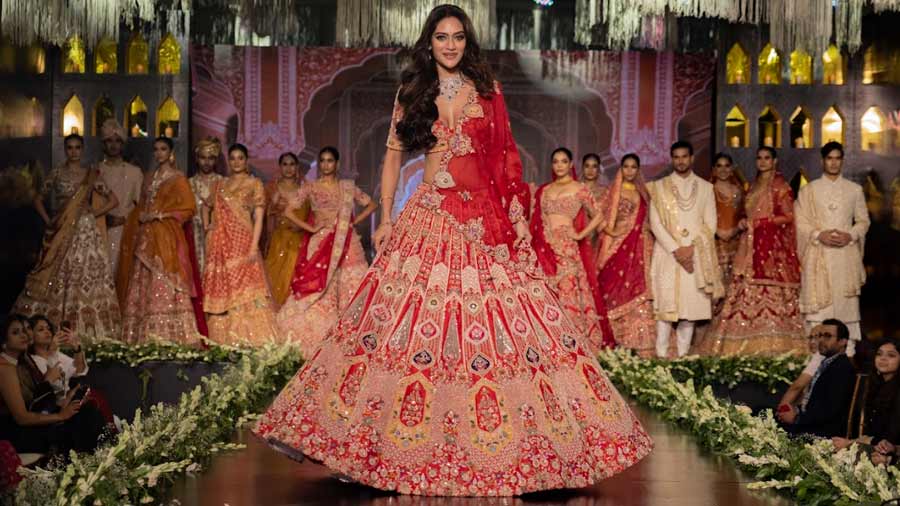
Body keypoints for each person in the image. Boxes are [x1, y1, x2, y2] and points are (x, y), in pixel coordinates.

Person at [254, 6, 651, 496]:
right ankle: (373, 444)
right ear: (429, 42)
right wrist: (388, 218)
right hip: (430, 214)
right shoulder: (414, 90)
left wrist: (513, 221)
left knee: (495, 331)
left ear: (467, 42)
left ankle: (519, 449)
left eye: (458, 37)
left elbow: (506, 155)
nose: (449, 45)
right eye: (441, 37)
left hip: (483, 218)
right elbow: (394, 154)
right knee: (402, 327)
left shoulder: (488, 90)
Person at [13, 134, 121, 342]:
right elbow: (37, 199)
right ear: (65, 150)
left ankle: (89, 329)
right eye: (70, 148)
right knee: (60, 272)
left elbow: (113, 200)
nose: (74, 151)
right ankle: (53, 327)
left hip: (86, 233)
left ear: (82, 150)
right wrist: (50, 221)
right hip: (62, 230)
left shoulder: (91, 175)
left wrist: (93, 214)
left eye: (77, 148)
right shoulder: (57, 173)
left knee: (84, 274)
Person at [705, 147, 805, 355]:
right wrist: (744, 221)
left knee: (770, 295)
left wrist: (759, 223)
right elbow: (746, 213)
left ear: (775, 161)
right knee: (741, 291)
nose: (762, 162)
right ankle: (739, 346)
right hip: (749, 246)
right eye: (759, 158)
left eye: (767, 158)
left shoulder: (780, 186)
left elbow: (788, 217)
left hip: (770, 250)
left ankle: (774, 345)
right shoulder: (752, 186)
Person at [276, 147, 375, 352]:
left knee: (351, 285)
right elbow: (288, 211)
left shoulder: (347, 187)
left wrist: (352, 221)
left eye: (330, 161)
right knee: (322, 290)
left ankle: (351, 336)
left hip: (348, 242)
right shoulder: (310, 187)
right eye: (323, 161)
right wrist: (310, 228)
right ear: (319, 164)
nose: (326, 165)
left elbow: (372, 205)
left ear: (337, 164)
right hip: (320, 243)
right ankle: (322, 337)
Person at [118, 137, 205, 344]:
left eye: (163, 149)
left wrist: (158, 216)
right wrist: (141, 216)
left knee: (165, 277)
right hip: (146, 236)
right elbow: (143, 204)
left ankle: (171, 335)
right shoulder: (149, 177)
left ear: (171, 152)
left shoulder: (178, 178)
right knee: (143, 280)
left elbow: (188, 209)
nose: (159, 153)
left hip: (167, 236)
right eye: (156, 149)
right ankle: (140, 336)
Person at [530, 147, 612, 352]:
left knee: (567, 292)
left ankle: (571, 344)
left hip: (567, 248)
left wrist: (580, 234)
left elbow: (599, 215)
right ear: (552, 165)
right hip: (545, 247)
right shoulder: (545, 190)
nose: (559, 165)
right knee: (547, 292)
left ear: (571, 165)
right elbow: (536, 219)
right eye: (555, 161)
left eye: (563, 161)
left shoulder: (579, 188)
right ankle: (550, 343)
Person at [648, 141, 723, 358]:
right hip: (667, 255)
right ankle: (661, 358)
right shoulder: (659, 187)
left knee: (689, 311)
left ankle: (682, 360)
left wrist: (690, 249)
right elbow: (655, 223)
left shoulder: (706, 188)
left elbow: (710, 224)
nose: (680, 161)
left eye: (684, 156)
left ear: (691, 158)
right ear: (672, 159)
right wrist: (676, 249)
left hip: (696, 255)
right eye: (676, 157)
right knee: (665, 310)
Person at [795, 142, 870, 357]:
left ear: (842, 161)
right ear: (822, 161)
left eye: (837, 158)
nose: (834, 162)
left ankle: (849, 352)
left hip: (846, 255)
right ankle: (817, 354)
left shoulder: (854, 190)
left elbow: (863, 221)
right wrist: (820, 235)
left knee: (846, 303)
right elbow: (800, 221)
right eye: (829, 158)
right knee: (820, 306)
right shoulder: (809, 190)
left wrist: (851, 235)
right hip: (819, 254)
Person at [203, 143, 280, 346]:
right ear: (229, 161)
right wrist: (208, 227)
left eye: (240, 158)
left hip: (243, 240)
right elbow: (206, 206)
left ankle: (251, 337)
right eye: (233, 158)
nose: (236, 162)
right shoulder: (220, 185)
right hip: (221, 244)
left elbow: (259, 216)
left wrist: (254, 246)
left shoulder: (254, 184)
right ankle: (224, 337)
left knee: (248, 289)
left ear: (246, 161)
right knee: (226, 288)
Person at [0, 315, 103, 454]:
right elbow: (22, 417)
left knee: (88, 409)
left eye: (25, 330)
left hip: (38, 418)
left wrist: (66, 401)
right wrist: (60, 415)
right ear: (4, 342)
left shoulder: (22, 361)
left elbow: (78, 372)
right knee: (84, 418)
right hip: (19, 432)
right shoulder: (5, 367)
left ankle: (100, 462)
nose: (24, 335)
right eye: (15, 332)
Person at [596, 154, 656, 356]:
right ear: (621, 168)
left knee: (636, 289)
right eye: (626, 167)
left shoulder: (643, 194)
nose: (629, 171)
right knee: (610, 289)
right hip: (615, 247)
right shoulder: (612, 191)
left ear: (638, 170)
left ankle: (636, 342)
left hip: (637, 248)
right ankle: (609, 340)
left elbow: (648, 221)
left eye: (633, 167)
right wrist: (610, 231)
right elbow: (598, 214)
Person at [780, 319, 856, 438]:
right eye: (820, 335)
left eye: (827, 336)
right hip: (810, 424)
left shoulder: (842, 368)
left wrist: (796, 418)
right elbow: (815, 402)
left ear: (842, 341)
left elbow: (831, 410)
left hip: (823, 433)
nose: (820, 340)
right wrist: (795, 411)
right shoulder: (828, 362)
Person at [833, 338, 900, 457]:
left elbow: (890, 438)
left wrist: (850, 444)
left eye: (891, 355)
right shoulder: (876, 385)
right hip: (875, 447)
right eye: (879, 354)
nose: (883, 358)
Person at [96, 119, 144, 276]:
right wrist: (104, 218)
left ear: (123, 144)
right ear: (103, 144)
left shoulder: (134, 172)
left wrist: (124, 219)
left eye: (118, 141)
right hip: (99, 229)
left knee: (123, 275)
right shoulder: (95, 171)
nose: (113, 145)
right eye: (109, 140)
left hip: (126, 230)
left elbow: (141, 206)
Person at [264, 152, 310, 308]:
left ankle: (291, 314)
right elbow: (264, 215)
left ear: (297, 167)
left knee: (293, 275)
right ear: (280, 167)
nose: (289, 168)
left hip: (298, 240)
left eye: (292, 164)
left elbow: (311, 216)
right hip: (277, 239)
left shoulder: (305, 190)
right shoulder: (272, 189)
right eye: (285, 164)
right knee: (274, 275)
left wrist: (301, 225)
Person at [28, 315, 88, 402]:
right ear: (31, 336)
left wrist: (77, 348)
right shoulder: (31, 361)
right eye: (41, 329)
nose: (47, 332)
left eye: (48, 328)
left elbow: (79, 370)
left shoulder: (58, 354)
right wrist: (51, 350)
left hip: (68, 402)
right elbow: (48, 385)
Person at [189, 137, 226, 275]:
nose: (206, 162)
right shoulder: (189, 183)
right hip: (194, 233)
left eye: (210, 158)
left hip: (218, 236)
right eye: (202, 157)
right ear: (197, 159)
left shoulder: (223, 182)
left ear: (216, 160)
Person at [710, 153, 745, 291]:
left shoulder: (739, 191)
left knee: (733, 281)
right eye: (719, 166)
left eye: (727, 166)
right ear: (714, 169)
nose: (723, 170)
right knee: (717, 279)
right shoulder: (708, 190)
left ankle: (729, 311)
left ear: (731, 169)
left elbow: (744, 215)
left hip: (735, 240)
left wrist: (735, 230)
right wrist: (718, 231)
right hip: (715, 241)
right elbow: (701, 217)